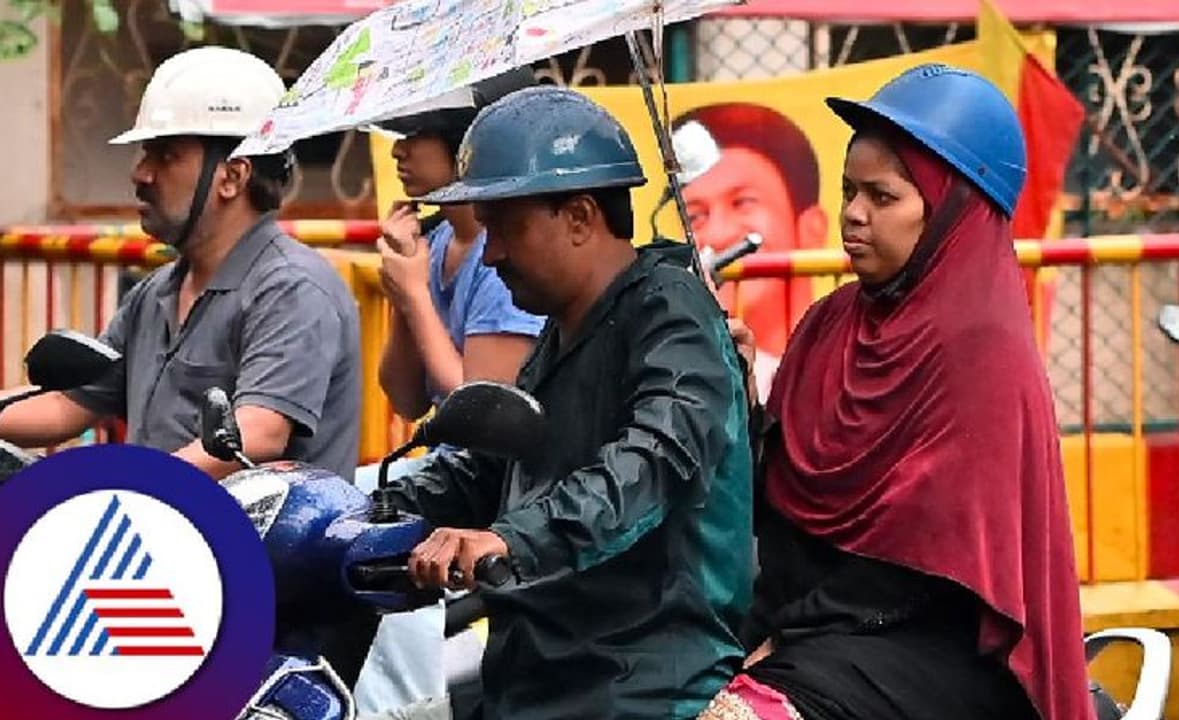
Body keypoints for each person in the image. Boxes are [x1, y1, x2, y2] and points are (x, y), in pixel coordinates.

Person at [700, 64, 1092, 720]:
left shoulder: (980, 351)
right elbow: (780, 505)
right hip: (814, 626)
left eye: (882, 197)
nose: (854, 214)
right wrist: (738, 399)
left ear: (951, 212)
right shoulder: (830, 323)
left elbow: (926, 562)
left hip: (930, 646)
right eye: (849, 191)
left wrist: (782, 639)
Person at [385, 85, 755, 719]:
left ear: (581, 217)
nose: (492, 254)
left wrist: (508, 542)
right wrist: (366, 507)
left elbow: (649, 462)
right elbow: (498, 463)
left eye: (507, 229)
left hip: (637, 681)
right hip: (535, 675)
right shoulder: (564, 329)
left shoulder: (670, 314)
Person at [0, 46, 362, 482]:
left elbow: (258, 433)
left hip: (243, 527)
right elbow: (67, 405)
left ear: (233, 177)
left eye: (165, 155)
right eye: (146, 154)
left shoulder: (292, 289)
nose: (140, 173)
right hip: (154, 519)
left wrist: (128, 486)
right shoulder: (156, 293)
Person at [351, 68, 544, 715]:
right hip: (436, 468)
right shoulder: (434, 244)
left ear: (467, 142)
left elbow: (477, 403)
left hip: (487, 482)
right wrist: (404, 288)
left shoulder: (500, 254)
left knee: (381, 532)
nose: (400, 152)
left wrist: (412, 295)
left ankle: (403, 704)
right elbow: (405, 395)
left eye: (417, 135)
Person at [674, 103, 829, 399]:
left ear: (812, 228)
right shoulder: (684, 373)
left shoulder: (842, 358)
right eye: (696, 215)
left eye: (743, 203)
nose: (718, 234)